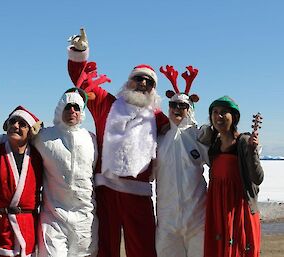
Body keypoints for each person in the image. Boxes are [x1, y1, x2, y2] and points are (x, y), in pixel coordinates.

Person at [67, 28, 168, 257]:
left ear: (153, 89)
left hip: (139, 195)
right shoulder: (106, 103)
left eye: (148, 81)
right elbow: (81, 81)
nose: (142, 83)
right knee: (105, 247)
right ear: (128, 81)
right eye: (137, 78)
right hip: (107, 191)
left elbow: (180, 129)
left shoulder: (158, 117)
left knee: (143, 249)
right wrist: (80, 53)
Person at [34, 88, 98, 257]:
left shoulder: (91, 139)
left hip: (85, 217)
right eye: (68, 106)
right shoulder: (43, 137)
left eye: (76, 107)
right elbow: (13, 140)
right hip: (54, 216)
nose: (72, 111)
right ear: (60, 108)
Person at [155, 65, 208, 257]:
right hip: (167, 221)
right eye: (173, 105)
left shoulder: (199, 136)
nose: (177, 109)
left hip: (197, 219)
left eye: (183, 106)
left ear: (190, 109)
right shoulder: (159, 139)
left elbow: (218, 162)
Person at [201, 96, 264, 257]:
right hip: (217, 204)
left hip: (238, 205)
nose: (218, 117)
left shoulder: (243, 142)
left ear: (234, 117)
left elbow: (258, 178)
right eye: (215, 112)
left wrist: (252, 152)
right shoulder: (213, 143)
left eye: (223, 113)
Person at [0, 106, 43, 257]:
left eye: (22, 124)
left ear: (30, 132)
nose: (15, 126)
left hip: (27, 234)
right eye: (12, 121)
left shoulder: (39, 159)